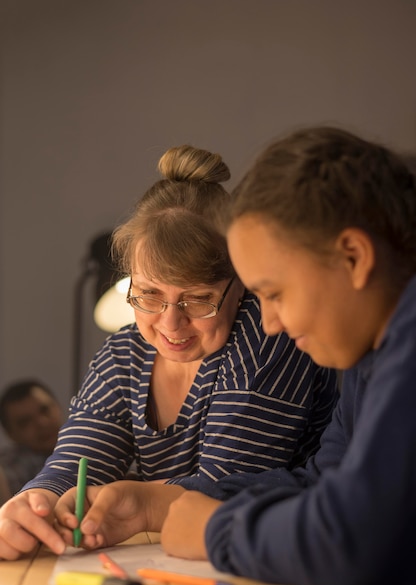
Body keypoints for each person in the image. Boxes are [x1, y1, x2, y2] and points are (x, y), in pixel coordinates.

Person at [54, 127, 416, 585]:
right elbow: (321, 482)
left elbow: (349, 540)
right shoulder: (366, 358)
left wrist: (213, 528)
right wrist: (157, 507)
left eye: (274, 292)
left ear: (353, 257)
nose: (269, 322)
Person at [0, 144, 338, 561]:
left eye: (198, 299)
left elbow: (224, 487)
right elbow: (76, 463)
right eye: (148, 295)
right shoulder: (123, 353)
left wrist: (140, 502)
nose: (169, 324)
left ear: (241, 282)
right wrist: (34, 502)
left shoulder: (266, 338)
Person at [0, 380, 64, 497]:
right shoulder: (7, 470)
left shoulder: (95, 446)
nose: (42, 423)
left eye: (45, 410)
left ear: (58, 407)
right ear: (11, 434)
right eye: (25, 422)